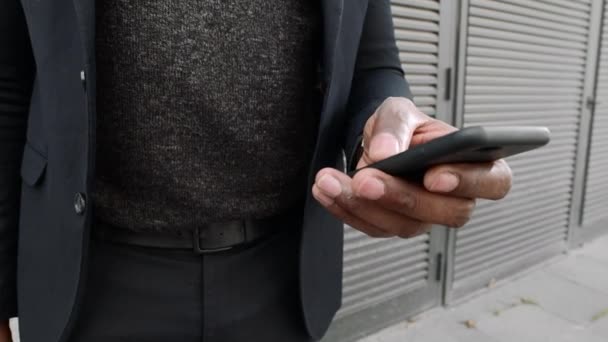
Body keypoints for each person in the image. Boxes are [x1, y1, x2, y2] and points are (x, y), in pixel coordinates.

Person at [0, 0, 512, 341]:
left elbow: (373, 65)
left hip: (281, 283)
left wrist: (385, 133)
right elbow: (10, 79)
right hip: (93, 283)